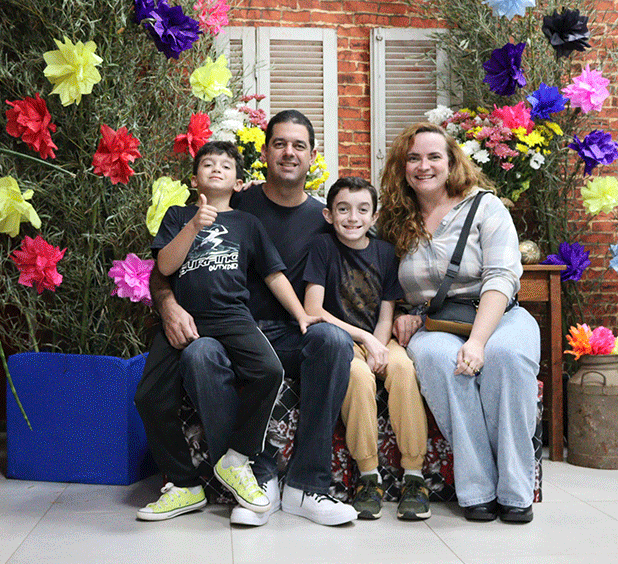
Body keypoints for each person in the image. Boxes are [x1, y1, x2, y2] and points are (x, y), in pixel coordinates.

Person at [150, 110, 357, 526]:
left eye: (299, 145)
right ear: (264, 153)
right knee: (199, 355)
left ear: (312, 155)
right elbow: (163, 269)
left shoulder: (324, 220)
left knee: (333, 342)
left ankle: (307, 486)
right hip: (223, 331)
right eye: (280, 143)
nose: (289, 152)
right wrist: (168, 305)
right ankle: (254, 478)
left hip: (290, 334)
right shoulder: (229, 202)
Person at [134, 141, 319, 520]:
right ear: (194, 179)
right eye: (208, 164)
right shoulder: (178, 215)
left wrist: (301, 314)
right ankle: (185, 485)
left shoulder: (247, 223)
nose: (216, 169)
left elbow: (273, 274)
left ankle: (236, 458)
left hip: (233, 316)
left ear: (238, 183)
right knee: (148, 397)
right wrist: (192, 226)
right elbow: (164, 267)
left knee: (268, 371)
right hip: (187, 318)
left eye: (225, 165)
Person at [378, 122, 539, 523]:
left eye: (434, 157)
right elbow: (380, 280)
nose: (424, 166)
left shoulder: (485, 207)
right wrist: (402, 315)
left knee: (506, 358)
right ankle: (478, 489)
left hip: (499, 313)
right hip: (433, 323)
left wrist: (479, 342)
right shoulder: (393, 219)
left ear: (451, 162)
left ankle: (516, 491)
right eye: (413, 158)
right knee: (438, 360)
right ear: (402, 166)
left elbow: (501, 276)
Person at [302, 176, 430, 520]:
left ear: (374, 216)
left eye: (362, 210)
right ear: (329, 215)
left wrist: (379, 344)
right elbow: (313, 309)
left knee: (403, 369)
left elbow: (387, 312)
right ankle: (368, 476)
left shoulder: (385, 252)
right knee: (357, 376)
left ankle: (414, 477)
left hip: (380, 337)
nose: (352, 218)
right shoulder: (322, 247)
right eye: (343, 209)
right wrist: (366, 340)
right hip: (344, 340)